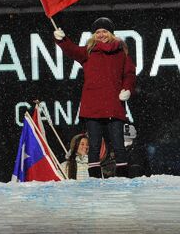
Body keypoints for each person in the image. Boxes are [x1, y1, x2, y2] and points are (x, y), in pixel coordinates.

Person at [54, 17, 136, 178]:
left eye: (104, 31)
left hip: (114, 104)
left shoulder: (121, 53)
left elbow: (129, 74)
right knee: (95, 146)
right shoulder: (88, 51)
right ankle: (95, 180)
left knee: (119, 145)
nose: (101, 34)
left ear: (111, 34)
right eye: (97, 32)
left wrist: (128, 89)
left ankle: (123, 179)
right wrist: (62, 39)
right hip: (93, 106)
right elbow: (71, 50)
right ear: (93, 35)